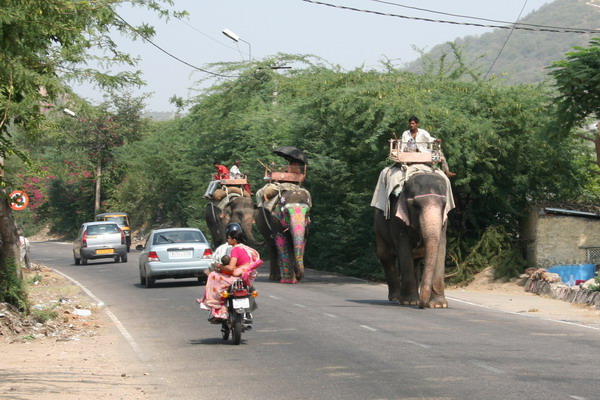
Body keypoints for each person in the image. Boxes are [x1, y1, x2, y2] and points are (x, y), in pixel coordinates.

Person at [199, 229, 261, 321]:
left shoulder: (235, 249)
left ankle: (216, 305)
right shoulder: (245, 248)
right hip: (246, 275)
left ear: (234, 240)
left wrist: (219, 266)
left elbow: (231, 268)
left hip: (238, 275)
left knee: (213, 275)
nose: (227, 240)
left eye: (228, 238)